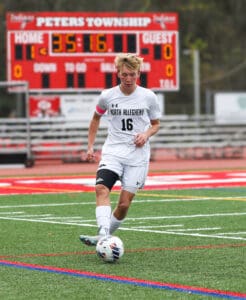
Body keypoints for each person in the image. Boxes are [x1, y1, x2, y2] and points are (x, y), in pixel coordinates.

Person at [79, 53, 161, 246]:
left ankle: (104, 236)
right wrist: (90, 146)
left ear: (139, 73)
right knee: (101, 188)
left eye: (132, 74)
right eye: (124, 74)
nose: (128, 78)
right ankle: (104, 234)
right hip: (113, 151)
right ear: (118, 73)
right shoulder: (107, 96)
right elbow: (95, 118)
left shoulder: (148, 96)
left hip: (137, 156)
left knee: (124, 204)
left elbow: (156, 124)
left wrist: (146, 134)